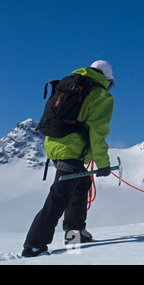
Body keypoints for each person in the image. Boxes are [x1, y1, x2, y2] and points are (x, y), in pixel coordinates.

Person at [22, 60, 115, 257]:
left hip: (53, 143)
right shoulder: (101, 95)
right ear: (108, 79)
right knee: (59, 196)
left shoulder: (71, 85)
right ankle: (34, 245)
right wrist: (103, 164)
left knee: (81, 182)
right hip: (70, 149)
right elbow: (97, 132)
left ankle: (75, 231)